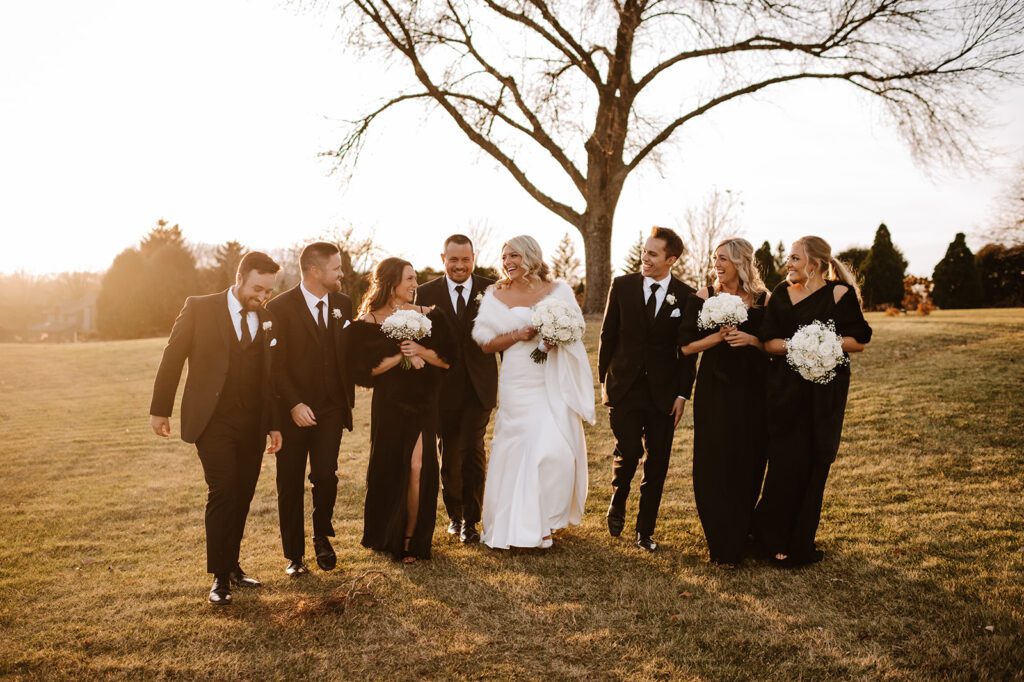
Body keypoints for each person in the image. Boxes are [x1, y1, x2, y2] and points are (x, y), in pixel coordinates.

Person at [149, 252, 283, 605]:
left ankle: (234, 566)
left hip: (252, 422)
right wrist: (159, 410)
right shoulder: (199, 307)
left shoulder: (267, 319)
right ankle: (220, 578)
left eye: (268, 291)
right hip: (212, 419)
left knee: (243, 494)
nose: (262, 296)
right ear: (239, 279)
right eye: (257, 288)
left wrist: (272, 425)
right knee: (223, 490)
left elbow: (270, 378)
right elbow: (173, 357)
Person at [753, 235, 873, 566]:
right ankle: (771, 537)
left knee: (815, 462)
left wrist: (825, 344)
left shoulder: (839, 294)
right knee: (785, 463)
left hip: (826, 393)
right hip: (785, 390)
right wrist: (799, 345)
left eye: (794, 258)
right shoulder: (781, 294)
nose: (788, 264)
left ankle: (800, 541)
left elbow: (859, 341)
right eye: (789, 259)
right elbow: (767, 342)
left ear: (815, 263)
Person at [472, 235, 595, 550]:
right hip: (517, 379)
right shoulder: (495, 294)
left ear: (530, 255)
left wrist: (556, 337)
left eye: (514, 255)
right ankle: (524, 527)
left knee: (555, 452)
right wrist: (518, 334)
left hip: (550, 376)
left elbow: (577, 328)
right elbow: (486, 343)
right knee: (518, 448)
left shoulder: (559, 290)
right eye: (504, 257)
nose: (508, 262)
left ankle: (544, 519)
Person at [347, 258, 454, 563]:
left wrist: (420, 350)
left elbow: (447, 361)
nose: (414, 285)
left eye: (415, 278)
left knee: (418, 467)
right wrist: (400, 353)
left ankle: (411, 538)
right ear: (390, 282)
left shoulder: (431, 316)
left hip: (423, 403)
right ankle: (386, 533)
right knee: (392, 468)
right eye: (408, 278)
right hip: (389, 406)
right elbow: (364, 373)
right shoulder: (369, 321)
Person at [598, 226, 697, 551]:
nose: (645, 258)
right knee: (629, 450)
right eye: (644, 251)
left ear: (671, 259)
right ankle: (618, 496)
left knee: (658, 462)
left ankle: (645, 531)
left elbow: (686, 351)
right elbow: (608, 336)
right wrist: (603, 381)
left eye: (653, 254)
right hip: (624, 387)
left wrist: (682, 394)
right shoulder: (623, 286)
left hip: (663, 393)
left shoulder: (686, 295)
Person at [679, 237, 770, 566]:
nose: (717, 264)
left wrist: (751, 340)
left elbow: (773, 345)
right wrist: (718, 336)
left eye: (724, 259)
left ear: (741, 263)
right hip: (715, 389)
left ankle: (741, 530)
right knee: (712, 462)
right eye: (715, 258)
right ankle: (720, 542)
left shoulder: (763, 299)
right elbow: (686, 347)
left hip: (752, 390)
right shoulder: (704, 296)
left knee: (747, 459)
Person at [266, 242, 354, 577]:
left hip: (331, 407)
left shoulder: (343, 304)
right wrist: (293, 403)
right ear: (315, 271)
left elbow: (350, 352)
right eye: (336, 268)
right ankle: (294, 556)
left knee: (324, 475)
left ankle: (322, 535)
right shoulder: (280, 307)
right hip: (292, 411)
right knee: (289, 482)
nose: (341, 274)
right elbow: (274, 366)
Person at [414, 234, 498, 544]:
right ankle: (455, 514)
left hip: (479, 385)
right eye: (454, 259)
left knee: (472, 449)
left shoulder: (491, 289)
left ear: (473, 259)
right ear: (443, 259)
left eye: (465, 259)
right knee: (449, 453)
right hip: (442, 388)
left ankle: (472, 521)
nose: (460, 265)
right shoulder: (424, 293)